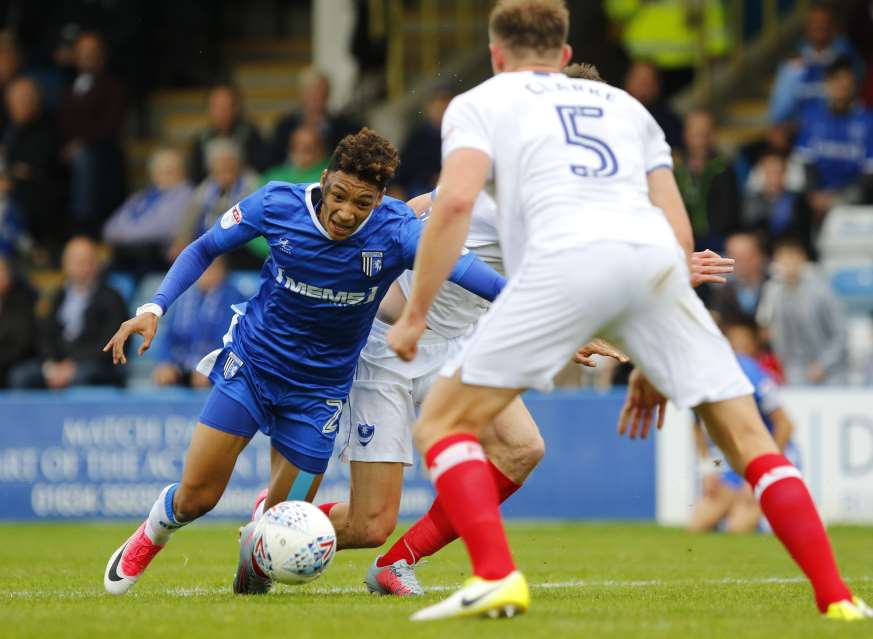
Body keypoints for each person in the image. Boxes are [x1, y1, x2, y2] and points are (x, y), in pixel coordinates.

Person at [387, 0, 867, 622]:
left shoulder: (482, 104)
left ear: (496, 55)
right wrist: (654, 345)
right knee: (751, 440)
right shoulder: (627, 107)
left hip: (562, 262)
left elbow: (451, 205)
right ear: (564, 57)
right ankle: (838, 598)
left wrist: (415, 311)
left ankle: (496, 574)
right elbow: (675, 219)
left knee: (442, 424)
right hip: (654, 263)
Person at [97, 128, 507, 597]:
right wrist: (153, 309)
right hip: (253, 368)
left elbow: (468, 271)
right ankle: (153, 533)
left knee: (277, 531)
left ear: (380, 200)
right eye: (340, 195)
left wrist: (533, 310)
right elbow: (204, 248)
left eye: (364, 202)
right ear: (326, 178)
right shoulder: (276, 204)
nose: (347, 212)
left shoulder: (396, 229)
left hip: (320, 394)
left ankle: (254, 573)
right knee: (198, 497)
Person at [689, 320, 798, 534]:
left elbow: (785, 424)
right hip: (736, 461)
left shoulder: (750, 372)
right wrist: (709, 471)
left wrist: (766, 472)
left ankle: (782, 514)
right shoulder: (700, 377)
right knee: (698, 525)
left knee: (738, 528)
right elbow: (700, 429)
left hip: (763, 457)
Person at [9, 236, 127, 389]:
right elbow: (44, 334)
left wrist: (73, 365)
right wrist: (50, 364)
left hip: (95, 364)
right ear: (65, 264)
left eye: (85, 261)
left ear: (96, 264)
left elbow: (112, 341)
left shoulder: (111, 298)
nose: (81, 266)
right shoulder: (56, 297)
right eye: (75, 261)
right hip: (57, 364)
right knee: (21, 376)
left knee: (83, 376)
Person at [57, 32, 127, 236]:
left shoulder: (113, 87)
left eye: (92, 52)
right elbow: (62, 124)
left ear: (102, 55)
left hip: (101, 151)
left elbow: (111, 125)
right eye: (82, 52)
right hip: (69, 151)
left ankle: (83, 225)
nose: (87, 57)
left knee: (84, 158)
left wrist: (81, 144)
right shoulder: (69, 87)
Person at [756, 237, 847, 386]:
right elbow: (767, 327)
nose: (787, 264)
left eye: (792, 256)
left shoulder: (822, 290)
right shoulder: (774, 292)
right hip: (794, 369)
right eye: (782, 258)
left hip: (831, 371)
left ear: (802, 258)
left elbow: (841, 334)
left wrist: (823, 365)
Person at [794, 57, 873, 227]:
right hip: (816, 198)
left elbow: (869, 174)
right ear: (826, 84)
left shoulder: (868, 121)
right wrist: (814, 195)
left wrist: (838, 198)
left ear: (854, 85)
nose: (840, 87)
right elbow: (804, 162)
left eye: (845, 81)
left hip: (854, 198)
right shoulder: (812, 116)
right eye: (835, 80)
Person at [151, 258, 242, 388]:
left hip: (216, 371)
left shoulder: (234, 299)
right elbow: (169, 336)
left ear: (222, 271)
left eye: (211, 268)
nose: (204, 273)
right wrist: (165, 362)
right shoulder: (184, 297)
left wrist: (212, 367)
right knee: (163, 376)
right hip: (182, 367)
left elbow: (233, 343)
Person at [102, 148, 193, 275]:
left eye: (170, 171)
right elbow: (109, 229)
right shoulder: (141, 197)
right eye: (159, 171)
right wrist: (130, 234)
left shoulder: (185, 194)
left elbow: (160, 229)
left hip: (157, 263)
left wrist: (124, 234)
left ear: (182, 172)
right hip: (127, 259)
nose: (163, 176)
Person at [769, 3, 863, 124]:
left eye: (823, 23)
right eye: (814, 23)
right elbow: (780, 108)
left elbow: (855, 103)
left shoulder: (846, 59)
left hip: (838, 126)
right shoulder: (793, 64)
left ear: (833, 27)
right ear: (806, 28)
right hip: (801, 129)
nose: (819, 27)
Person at [169, 139, 260, 262]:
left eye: (228, 162)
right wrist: (181, 241)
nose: (224, 167)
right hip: (208, 241)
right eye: (218, 163)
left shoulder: (251, 183)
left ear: (238, 163)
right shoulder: (206, 187)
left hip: (239, 245)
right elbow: (190, 218)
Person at [2, 76, 63, 256]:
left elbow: (34, 169)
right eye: (14, 100)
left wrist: (11, 176)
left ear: (36, 101)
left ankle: (29, 249)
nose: (19, 105)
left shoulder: (48, 128)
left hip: (38, 196)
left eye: (25, 100)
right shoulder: (9, 131)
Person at [673, 109, 741, 253]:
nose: (701, 139)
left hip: (717, 241)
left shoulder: (723, 167)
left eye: (705, 132)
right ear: (686, 134)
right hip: (680, 240)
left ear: (712, 135)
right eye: (696, 133)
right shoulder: (674, 168)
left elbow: (730, 211)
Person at [268, 67, 360, 167]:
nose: (316, 98)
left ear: (328, 94)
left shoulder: (346, 128)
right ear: (301, 94)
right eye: (311, 93)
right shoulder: (284, 127)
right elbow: (272, 161)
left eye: (321, 93)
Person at [187, 84, 267, 183]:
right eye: (217, 106)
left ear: (236, 108)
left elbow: (261, 169)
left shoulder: (251, 134)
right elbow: (196, 175)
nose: (222, 111)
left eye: (227, 106)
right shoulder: (201, 139)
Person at [392, 87, 454, 199]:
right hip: (421, 189)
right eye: (438, 106)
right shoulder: (419, 136)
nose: (442, 110)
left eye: (445, 105)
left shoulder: (458, 134)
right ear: (429, 107)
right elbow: (404, 166)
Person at [709, 231, 770, 325]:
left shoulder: (775, 286)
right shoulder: (723, 291)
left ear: (759, 256)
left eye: (744, 256)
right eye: (732, 256)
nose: (737, 262)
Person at [623, 60, 683, 150]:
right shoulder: (613, 112)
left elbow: (675, 154)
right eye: (638, 79)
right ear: (627, 81)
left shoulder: (669, 122)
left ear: (656, 86)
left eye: (647, 80)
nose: (642, 85)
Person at [0, 254, 36, 387]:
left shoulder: (21, 300)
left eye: (1, 271)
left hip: (14, 362)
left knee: (20, 376)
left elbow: (20, 345)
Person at [261, 124, 329, 184]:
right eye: (295, 146)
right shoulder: (274, 175)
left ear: (321, 149)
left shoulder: (328, 176)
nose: (300, 151)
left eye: (308, 148)